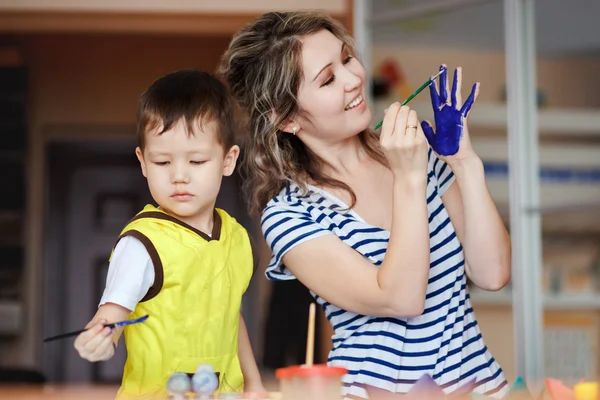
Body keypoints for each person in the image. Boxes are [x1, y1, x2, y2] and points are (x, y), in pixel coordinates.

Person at [219, 10, 511, 399]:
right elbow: (401, 298)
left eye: (346, 58)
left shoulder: (415, 155)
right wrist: (408, 178)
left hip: (483, 389)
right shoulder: (290, 215)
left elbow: (492, 274)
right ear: (287, 119)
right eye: (328, 79)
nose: (354, 78)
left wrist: (464, 163)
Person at [73, 70, 265, 399]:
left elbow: (231, 318)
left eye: (197, 160)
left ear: (228, 160)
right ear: (143, 162)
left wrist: (255, 385)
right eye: (162, 162)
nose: (179, 176)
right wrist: (99, 341)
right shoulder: (142, 244)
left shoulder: (235, 237)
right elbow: (110, 318)